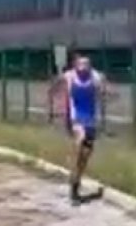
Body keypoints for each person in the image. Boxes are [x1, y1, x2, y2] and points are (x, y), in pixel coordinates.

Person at [47, 53, 107, 203]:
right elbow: (54, 86)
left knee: (85, 156)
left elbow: (104, 92)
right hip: (75, 117)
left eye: (86, 64)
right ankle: (74, 182)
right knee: (80, 141)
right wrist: (53, 101)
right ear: (75, 65)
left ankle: (75, 183)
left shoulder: (95, 77)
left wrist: (105, 90)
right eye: (80, 64)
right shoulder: (69, 76)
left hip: (91, 119)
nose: (83, 67)